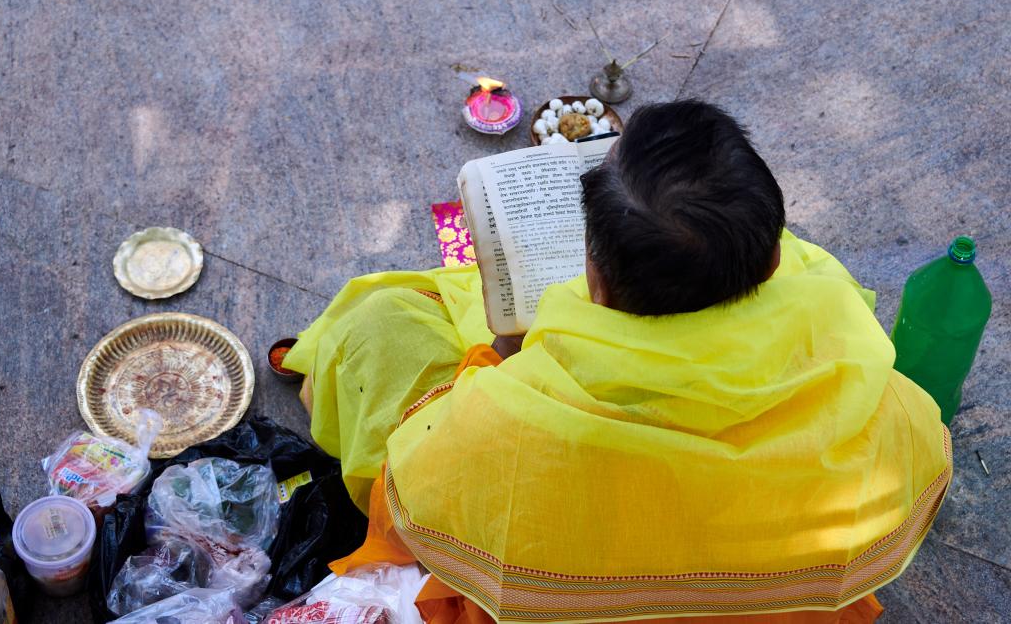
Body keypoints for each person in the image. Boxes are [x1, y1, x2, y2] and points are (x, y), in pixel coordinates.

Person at [283, 100, 951, 623]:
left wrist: (503, 361)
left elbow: (407, 508)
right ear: (774, 259)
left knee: (381, 324)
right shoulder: (862, 373)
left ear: (592, 285)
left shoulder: (499, 430)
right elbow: (928, 465)